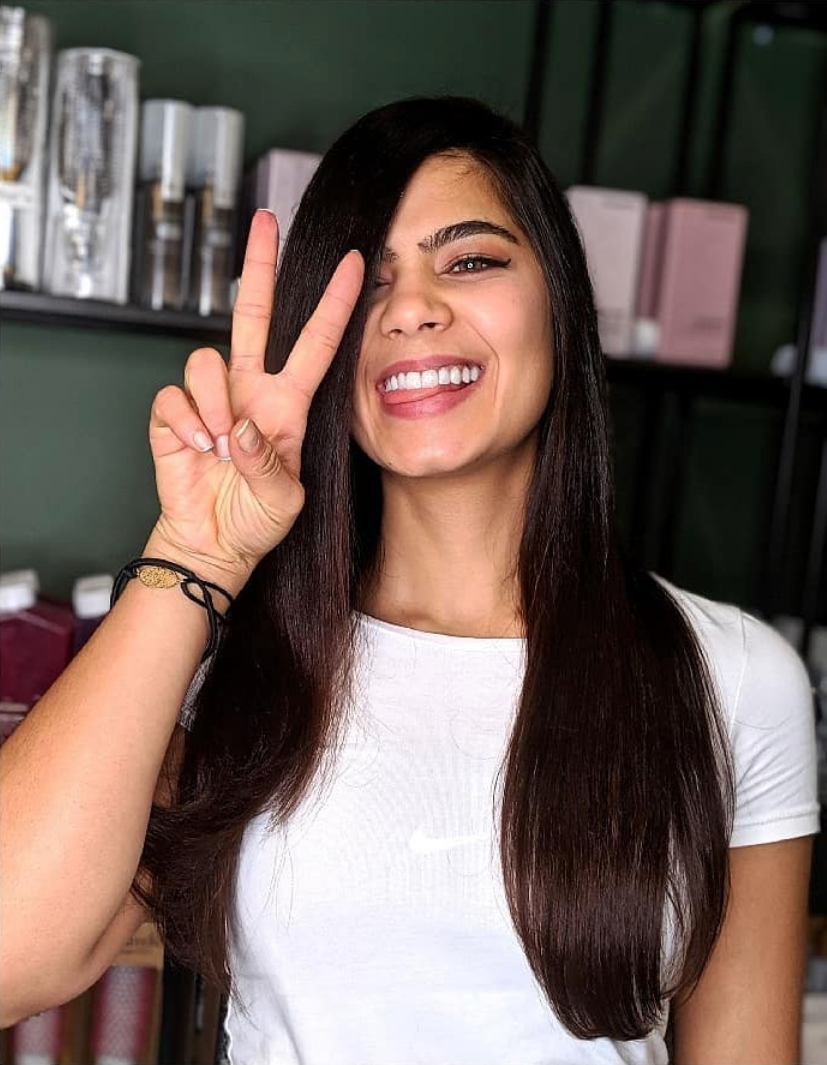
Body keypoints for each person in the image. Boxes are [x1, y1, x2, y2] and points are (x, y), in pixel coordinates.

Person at [1, 96, 819, 1064]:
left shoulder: (730, 678)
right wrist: (196, 552)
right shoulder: (238, 670)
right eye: (368, 285)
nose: (413, 308)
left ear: (559, 300)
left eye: (468, 259)